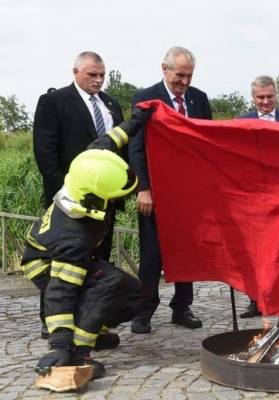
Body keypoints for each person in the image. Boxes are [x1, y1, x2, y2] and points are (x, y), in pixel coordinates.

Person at [24, 109, 152, 380]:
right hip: (46, 265)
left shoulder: (89, 165)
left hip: (59, 253)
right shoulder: (75, 236)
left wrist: (135, 122)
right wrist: (59, 344)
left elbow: (109, 140)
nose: (116, 202)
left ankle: (92, 333)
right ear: (94, 199)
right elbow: (61, 292)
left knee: (138, 296)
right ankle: (78, 353)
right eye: (112, 198)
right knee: (108, 283)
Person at [32, 51, 124, 339]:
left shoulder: (111, 104)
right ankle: (53, 322)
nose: (98, 80)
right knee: (62, 264)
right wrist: (69, 193)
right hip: (68, 203)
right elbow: (45, 153)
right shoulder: (54, 102)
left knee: (97, 264)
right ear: (76, 72)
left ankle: (89, 323)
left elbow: (120, 150)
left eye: (102, 75)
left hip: (104, 203)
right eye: (92, 74)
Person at [129, 46, 212, 334]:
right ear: (164, 69)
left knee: (186, 249)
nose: (184, 82)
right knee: (152, 253)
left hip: (188, 193)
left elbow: (206, 144)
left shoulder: (199, 99)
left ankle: (182, 307)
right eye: (180, 75)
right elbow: (136, 147)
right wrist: (143, 188)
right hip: (155, 191)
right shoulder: (145, 98)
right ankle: (144, 310)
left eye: (189, 76)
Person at [237, 75, 279, 318]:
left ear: (276, 95)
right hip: (252, 196)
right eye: (260, 97)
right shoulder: (241, 122)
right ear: (253, 98)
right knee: (254, 249)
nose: (265, 102)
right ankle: (255, 300)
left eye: (269, 97)